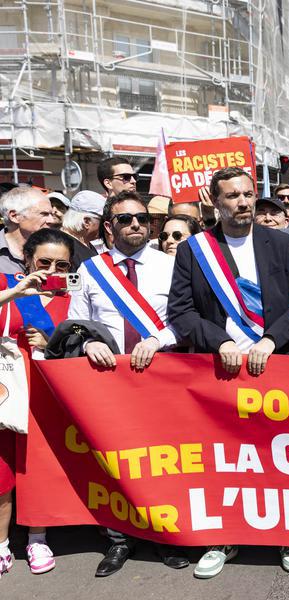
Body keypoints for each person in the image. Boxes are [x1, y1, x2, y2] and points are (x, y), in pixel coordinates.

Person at [168, 166, 289, 579]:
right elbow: (180, 311)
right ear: (215, 201)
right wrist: (220, 341)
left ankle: (288, 535)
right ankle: (223, 537)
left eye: (248, 194)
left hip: (275, 362)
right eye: (232, 195)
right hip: (220, 370)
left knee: (279, 455)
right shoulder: (195, 249)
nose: (243, 202)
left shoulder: (279, 244)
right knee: (226, 459)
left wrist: (269, 340)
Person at [66, 191, 187, 576]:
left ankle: (166, 537)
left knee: (163, 462)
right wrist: (90, 342)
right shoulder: (91, 270)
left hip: (161, 376)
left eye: (141, 218)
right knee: (115, 463)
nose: (136, 224)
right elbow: (74, 324)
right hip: (110, 383)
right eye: (124, 219)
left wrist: (158, 340)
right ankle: (120, 539)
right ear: (108, 227)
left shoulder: (172, 265)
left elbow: (186, 319)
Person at [0, 228, 77, 578]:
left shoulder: (75, 297)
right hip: (11, 391)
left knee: (38, 468)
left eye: (61, 264)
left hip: (49, 396)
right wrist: (14, 293)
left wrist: (50, 342)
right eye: (44, 261)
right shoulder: (9, 286)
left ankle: (37, 537)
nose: (51, 270)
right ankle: (2, 544)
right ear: (28, 259)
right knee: (3, 470)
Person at [1, 186, 60, 274]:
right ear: (15, 216)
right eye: (44, 214)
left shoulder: (57, 247)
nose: (51, 220)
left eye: (52, 214)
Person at [61, 192, 104, 268]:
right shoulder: (63, 248)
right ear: (86, 222)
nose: (106, 226)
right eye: (103, 221)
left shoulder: (86, 244)